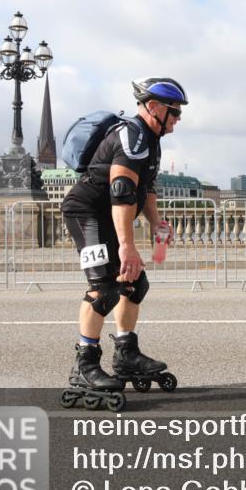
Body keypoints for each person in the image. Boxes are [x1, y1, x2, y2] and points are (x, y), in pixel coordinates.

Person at [60, 77, 186, 396]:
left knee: (134, 284)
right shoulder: (132, 136)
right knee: (104, 290)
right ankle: (84, 365)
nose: (178, 118)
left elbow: (146, 191)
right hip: (86, 212)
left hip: (108, 213)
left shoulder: (152, 140)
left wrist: (157, 224)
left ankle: (126, 353)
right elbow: (122, 192)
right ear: (153, 107)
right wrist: (128, 248)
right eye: (174, 111)